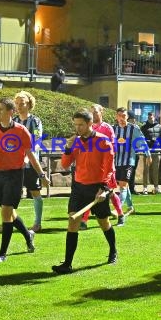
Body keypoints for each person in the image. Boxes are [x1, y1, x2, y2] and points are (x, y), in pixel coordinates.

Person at [52, 109, 117, 274]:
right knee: (72, 223)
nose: (78, 128)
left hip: (97, 188)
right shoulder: (76, 141)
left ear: (90, 123)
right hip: (79, 188)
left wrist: (103, 188)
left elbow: (109, 167)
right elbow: (66, 164)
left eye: (81, 124)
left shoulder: (103, 142)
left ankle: (113, 251)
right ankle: (67, 264)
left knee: (104, 223)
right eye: (76, 125)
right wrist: (67, 148)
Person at [0, 98, 50, 264]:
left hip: (15, 175)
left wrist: (42, 175)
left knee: (6, 212)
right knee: (8, 211)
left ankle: (2, 253)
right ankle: (28, 235)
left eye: (1, 109)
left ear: (11, 112)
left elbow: (30, 154)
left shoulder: (22, 131)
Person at [79, 104, 124, 230]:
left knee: (109, 193)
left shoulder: (107, 128)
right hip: (92, 168)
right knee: (90, 194)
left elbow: (112, 148)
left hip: (105, 168)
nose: (93, 115)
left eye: (95, 112)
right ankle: (84, 220)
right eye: (91, 113)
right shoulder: (88, 128)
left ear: (101, 113)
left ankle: (120, 214)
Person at [11, 91, 46, 232]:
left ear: (29, 104)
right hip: (16, 163)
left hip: (31, 163)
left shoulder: (35, 121)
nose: (19, 106)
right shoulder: (14, 121)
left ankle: (37, 223)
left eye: (22, 103)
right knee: (11, 192)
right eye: (17, 103)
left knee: (35, 192)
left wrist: (29, 153)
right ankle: (9, 221)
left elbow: (37, 140)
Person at [113, 107, 151, 226]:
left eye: (124, 115)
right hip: (117, 161)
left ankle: (117, 209)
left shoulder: (133, 128)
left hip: (129, 160)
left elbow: (142, 140)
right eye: (119, 115)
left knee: (123, 186)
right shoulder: (114, 129)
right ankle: (130, 207)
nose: (122, 118)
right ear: (116, 116)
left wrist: (148, 154)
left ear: (127, 117)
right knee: (124, 185)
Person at [141, 112, 161, 194]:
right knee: (146, 169)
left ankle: (156, 187)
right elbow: (142, 139)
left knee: (156, 170)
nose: (150, 118)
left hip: (156, 150)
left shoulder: (159, 127)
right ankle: (145, 187)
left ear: (154, 117)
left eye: (151, 117)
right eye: (149, 117)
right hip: (147, 150)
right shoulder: (144, 127)